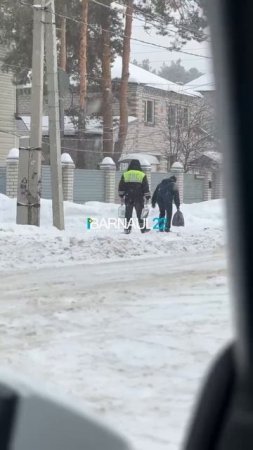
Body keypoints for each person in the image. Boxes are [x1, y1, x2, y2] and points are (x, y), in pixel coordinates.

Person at [118, 159, 151, 234]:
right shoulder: (142, 175)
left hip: (128, 196)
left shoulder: (125, 174)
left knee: (128, 214)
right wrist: (147, 196)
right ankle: (143, 229)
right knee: (140, 214)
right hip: (139, 197)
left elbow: (121, 186)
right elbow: (145, 187)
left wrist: (121, 195)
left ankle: (127, 229)